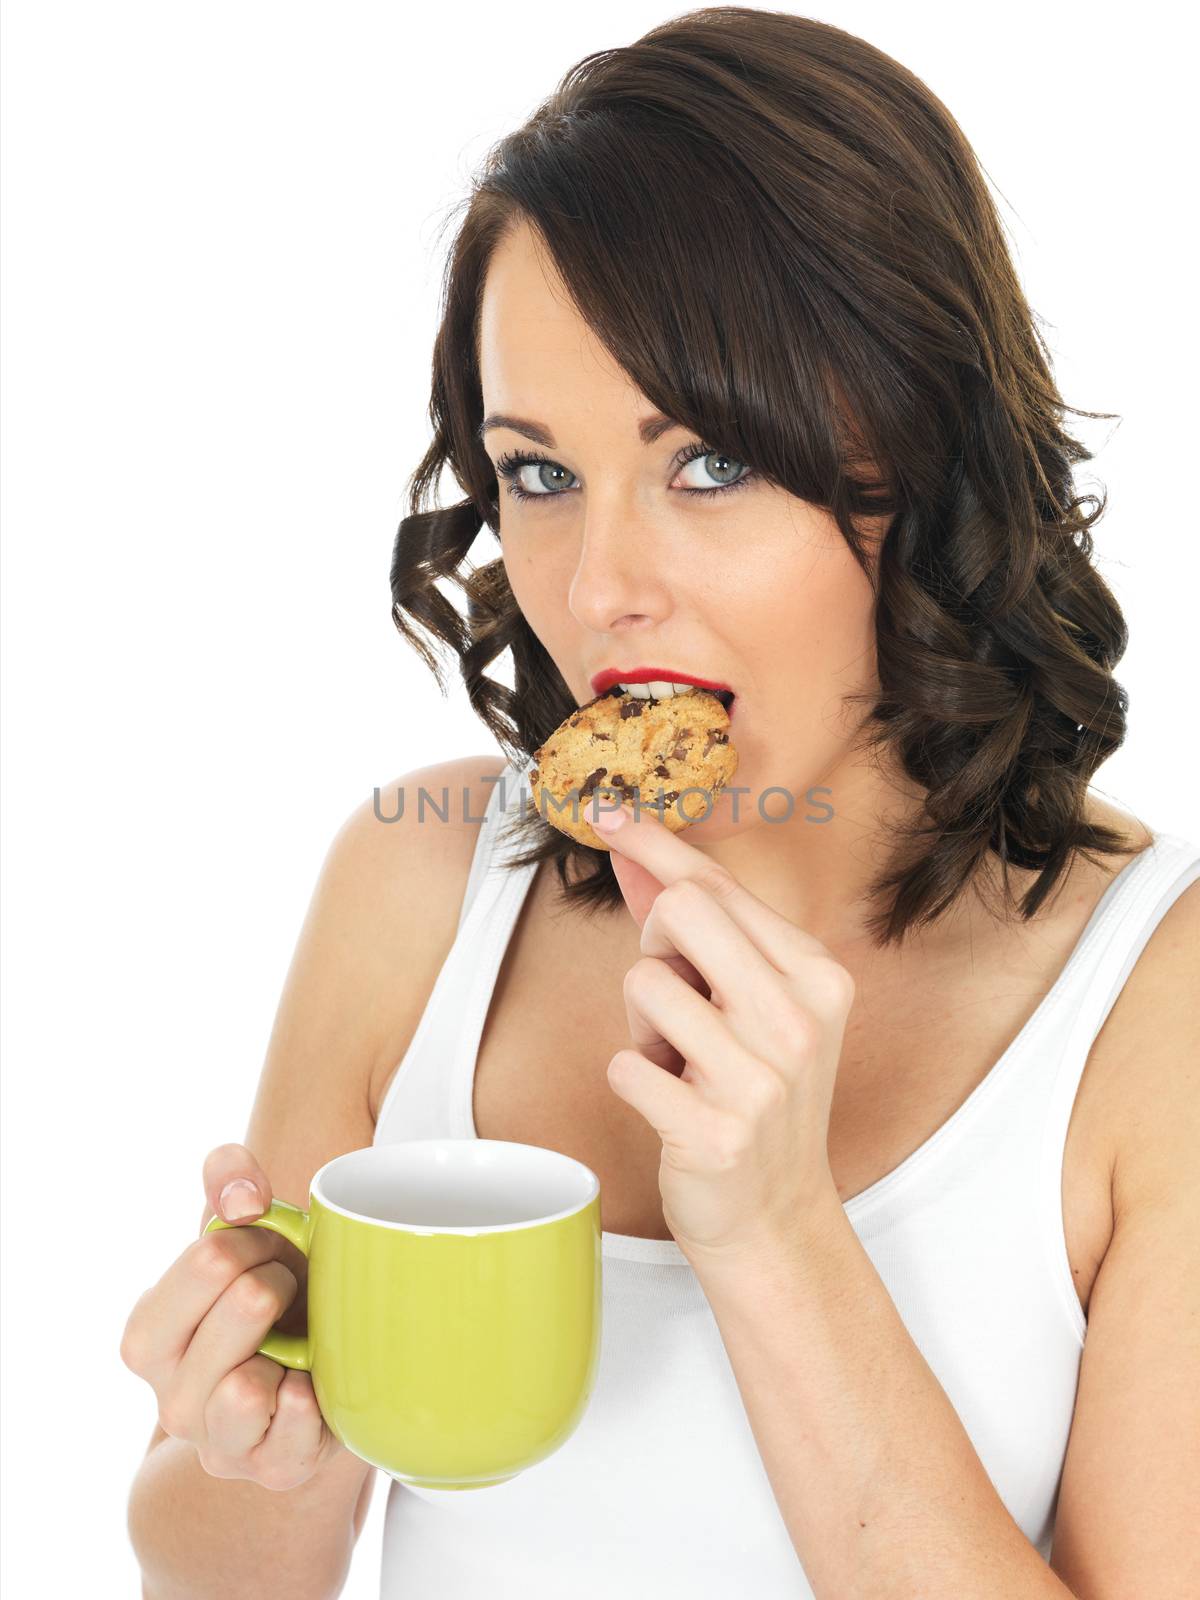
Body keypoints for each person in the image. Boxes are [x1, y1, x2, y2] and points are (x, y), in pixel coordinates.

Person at [122, 9, 1199, 1597]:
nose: (599, 588)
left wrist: (774, 1234)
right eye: (538, 474)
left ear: (930, 457)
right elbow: (226, 1573)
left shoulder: (1150, 1013)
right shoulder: (415, 890)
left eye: (706, 464)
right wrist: (249, 1445)